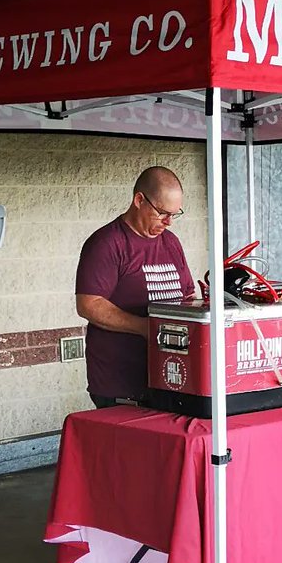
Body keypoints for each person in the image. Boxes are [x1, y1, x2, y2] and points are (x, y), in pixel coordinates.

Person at [75, 165, 194, 408]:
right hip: (121, 384)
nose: (169, 222)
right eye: (162, 212)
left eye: (175, 214)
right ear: (139, 200)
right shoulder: (107, 243)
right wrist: (145, 327)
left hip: (168, 380)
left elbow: (188, 293)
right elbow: (89, 304)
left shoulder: (171, 242)